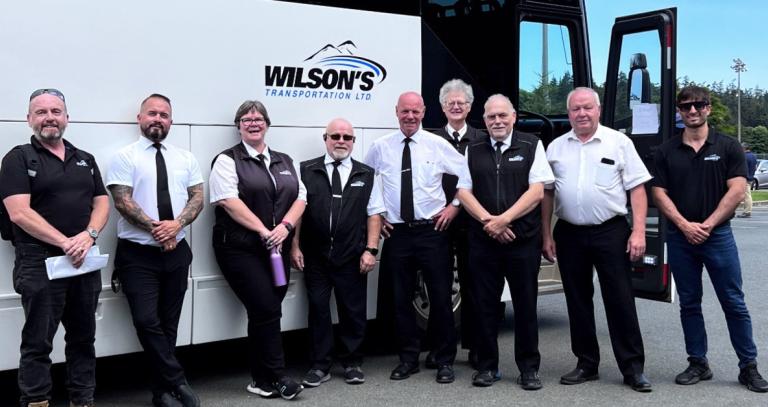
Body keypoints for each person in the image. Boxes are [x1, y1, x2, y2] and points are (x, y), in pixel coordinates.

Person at [651, 85, 768, 393]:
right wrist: (683, 225)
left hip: (718, 238)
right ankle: (698, 363)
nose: (692, 111)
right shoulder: (665, 151)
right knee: (689, 303)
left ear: (709, 108)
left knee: (734, 302)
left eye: (698, 105)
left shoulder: (728, 147)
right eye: (686, 106)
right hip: (680, 238)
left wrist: (707, 224)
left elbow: (736, 189)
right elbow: (659, 193)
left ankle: (748, 367)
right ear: (679, 110)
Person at [0, 89, 109, 407]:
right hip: (39, 261)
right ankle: (36, 401)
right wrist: (65, 243)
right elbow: (18, 212)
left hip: (83, 261)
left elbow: (102, 202)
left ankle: (82, 399)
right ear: (29, 119)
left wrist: (88, 236)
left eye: (56, 111)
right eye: (41, 111)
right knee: (37, 341)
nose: (50, 117)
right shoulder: (18, 158)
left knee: (83, 338)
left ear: (67, 117)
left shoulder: (84, 159)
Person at [541, 87, 652, 392]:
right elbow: (547, 193)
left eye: (587, 108)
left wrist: (639, 230)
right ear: (569, 113)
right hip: (569, 232)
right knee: (577, 301)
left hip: (610, 231)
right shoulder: (556, 148)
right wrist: (546, 234)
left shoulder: (619, 142)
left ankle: (632, 368)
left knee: (620, 300)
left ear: (598, 110)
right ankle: (586, 363)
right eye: (575, 109)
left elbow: (637, 189)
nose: (582, 114)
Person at [364, 91, 471, 384]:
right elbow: (366, 180)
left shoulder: (437, 145)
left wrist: (454, 207)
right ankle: (408, 359)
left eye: (415, 111)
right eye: (404, 111)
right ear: (396, 112)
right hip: (397, 233)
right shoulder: (380, 147)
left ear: (424, 112)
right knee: (399, 300)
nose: (410, 116)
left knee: (440, 298)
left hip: (433, 232)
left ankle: (444, 360)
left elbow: (466, 174)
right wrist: (378, 212)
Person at [106, 94, 204, 407]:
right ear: (140, 118)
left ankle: (162, 393)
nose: (157, 119)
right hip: (138, 254)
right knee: (147, 320)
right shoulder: (125, 156)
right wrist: (160, 230)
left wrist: (176, 226)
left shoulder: (185, 157)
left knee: (168, 323)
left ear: (171, 121)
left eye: (164, 115)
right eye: (152, 113)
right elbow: (122, 201)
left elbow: (197, 197)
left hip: (178, 251)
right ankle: (177, 379)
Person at [209, 100, 306, 400]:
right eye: (246, 119)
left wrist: (286, 229)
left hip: (277, 250)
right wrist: (265, 231)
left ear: (267, 124)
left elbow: (300, 199)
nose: (253, 123)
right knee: (266, 307)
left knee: (265, 311)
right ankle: (277, 377)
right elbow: (228, 201)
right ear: (238, 126)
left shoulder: (285, 160)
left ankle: (259, 380)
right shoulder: (226, 160)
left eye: (258, 118)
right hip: (240, 249)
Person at [456, 94, 553, 389]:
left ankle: (528, 369)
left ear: (513, 118)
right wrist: (490, 222)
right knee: (484, 306)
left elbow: (537, 191)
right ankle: (487, 367)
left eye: (502, 116)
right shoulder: (472, 149)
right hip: (484, 241)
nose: (497, 121)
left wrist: (505, 219)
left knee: (525, 306)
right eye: (491, 117)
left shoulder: (531, 145)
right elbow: (463, 192)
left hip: (522, 241)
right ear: (484, 121)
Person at [290, 118, 384, 387]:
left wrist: (371, 249)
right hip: (315, 255)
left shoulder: (366, 174)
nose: (341, 141)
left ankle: (352, 363)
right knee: (318, 310)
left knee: (352, 311)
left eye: (347, 137)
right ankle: (320, 365)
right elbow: (298, 212)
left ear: (354, 142)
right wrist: (295, 246)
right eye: (335, 136)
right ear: (325, 139)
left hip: (352, 255)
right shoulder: (306, 170)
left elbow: (374, 214)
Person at [424, 79, 485, 369]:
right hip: (439, 224)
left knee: (474, 287)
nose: (456, 106)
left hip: (472, 223)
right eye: (451, 103)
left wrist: (457, 206)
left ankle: (475, 347)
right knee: (440, 288)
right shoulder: (429, 138)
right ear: (443, 107)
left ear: (470, 106)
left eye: (461, 102)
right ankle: (440, 346)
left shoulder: (482, 138)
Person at [737, 142, 757, 218]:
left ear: (743, 148)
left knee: (747, 196)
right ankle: (746, 211)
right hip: (751, 177)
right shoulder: (753, 156)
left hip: (745, 178)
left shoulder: (744, 157)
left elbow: (741, 168)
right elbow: (755, 167)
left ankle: (747, 212)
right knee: (745, 195)